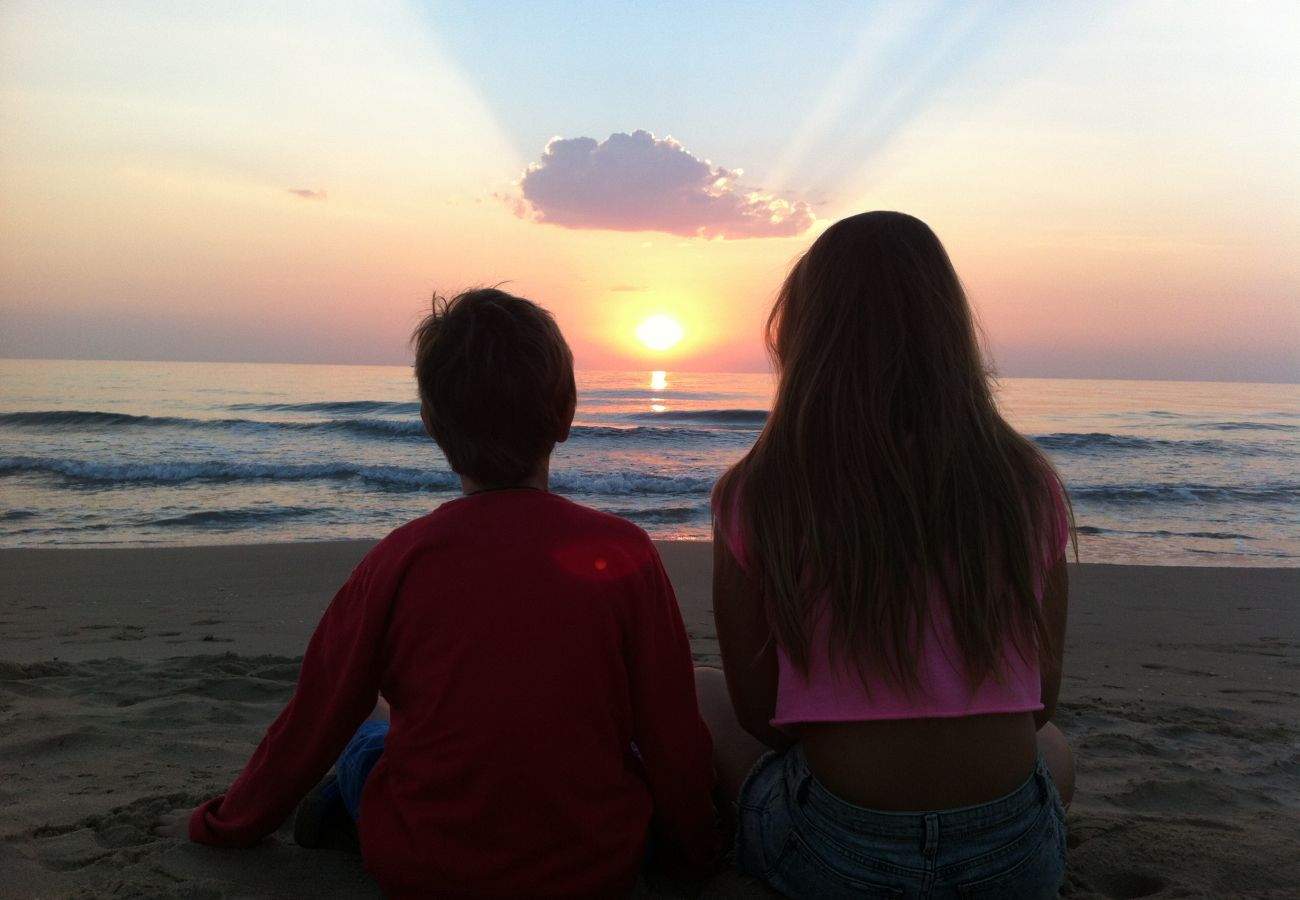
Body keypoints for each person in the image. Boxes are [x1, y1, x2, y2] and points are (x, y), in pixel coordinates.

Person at [157, 288, 719, 898]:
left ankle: (343, 816)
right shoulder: (626, 554)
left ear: (430, 423)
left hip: (422, 868)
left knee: (366, 733)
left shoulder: (397, 560)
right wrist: (694, 854)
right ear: (567, 413)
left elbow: (313, 720)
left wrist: (226, 824)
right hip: (593, 870)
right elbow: (674, 735)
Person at [696, 212, 1076, 899]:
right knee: (1053, 751)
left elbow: (759, 716)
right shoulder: (1026, 483)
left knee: (699, 689)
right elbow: (1041, 700)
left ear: (805, 332)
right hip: (1012, 857)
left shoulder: (760, 490)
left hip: (841, 853)